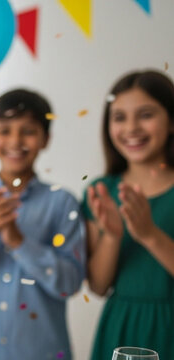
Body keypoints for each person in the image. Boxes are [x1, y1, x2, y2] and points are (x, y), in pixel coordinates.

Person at [0, 89, 85, 359]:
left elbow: (70, 284)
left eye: (29, 131)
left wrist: (19, 242)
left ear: (46, 139)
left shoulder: (63, 203)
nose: (15, 141)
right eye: (5, 130)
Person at [84, 70, 174, 360]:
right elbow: (98, 285)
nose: (131, 127)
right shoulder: (100, 190)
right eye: (119, 117)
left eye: (145, 114)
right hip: (120, 326)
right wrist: (112, 235)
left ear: (171, 121)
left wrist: (149, 234)